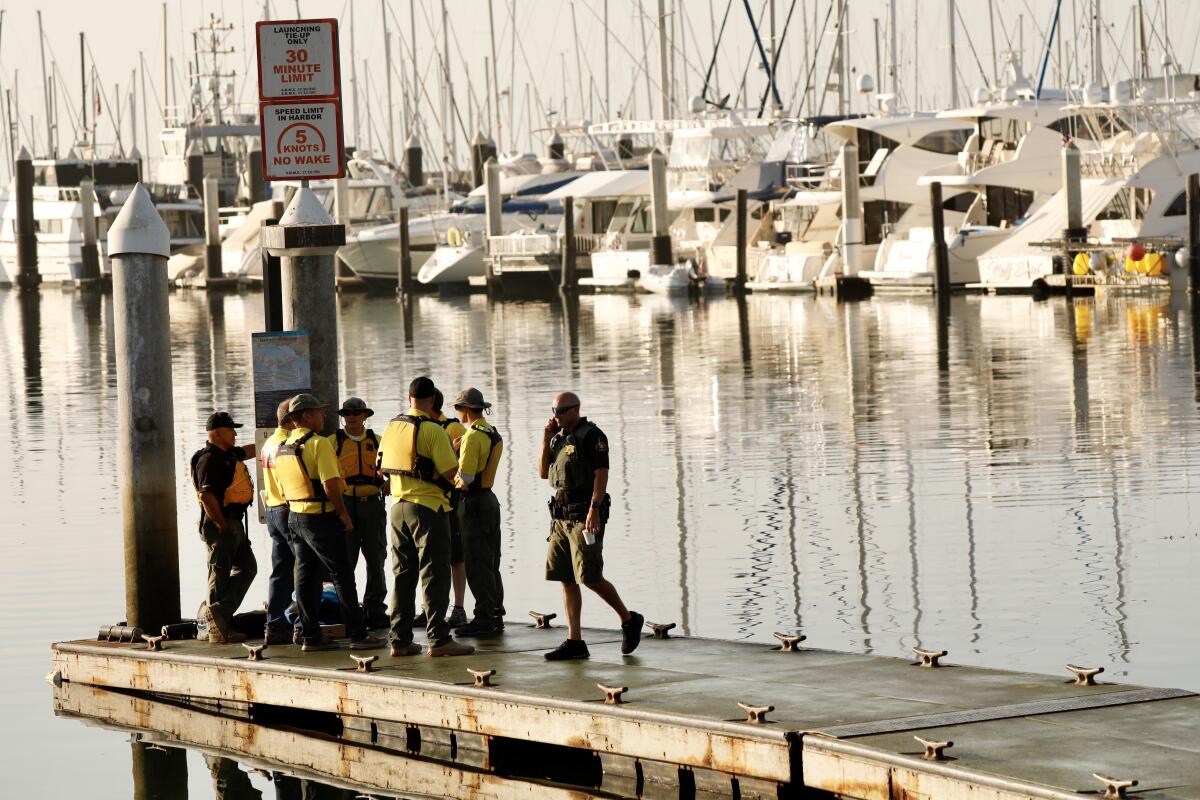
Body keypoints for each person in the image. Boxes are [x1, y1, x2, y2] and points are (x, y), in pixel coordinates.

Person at [275, 393, 385, 652]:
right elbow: (330, 483)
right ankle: (358, 635)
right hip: (319, 517)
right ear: (306, 416)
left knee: (305, 577)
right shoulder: (319, 444)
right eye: (318, 412)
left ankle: (310, 636)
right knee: (343, 575)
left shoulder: (285, 445)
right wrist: (343, 513)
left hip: (295, 516)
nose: (324, 416)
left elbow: (282, 485)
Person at [538, 392, 643, 660]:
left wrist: (594, 509)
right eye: (553, 410)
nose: (556, 416)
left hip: (585, 515)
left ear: (575, 410)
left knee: (590, 576)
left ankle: (628, 619)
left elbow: (601, 474)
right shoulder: (557, 438)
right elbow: (542, 472)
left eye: (561, 411)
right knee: (566, 577)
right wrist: (544, 438)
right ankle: (575, 641)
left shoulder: (592, 436)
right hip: (560, 518)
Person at [377, 376, 474, 657]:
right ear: (432, 400)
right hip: (428, 509)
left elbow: (381, 467)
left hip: (397, 507)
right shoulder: (432, 429)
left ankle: (400, 640)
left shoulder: (392, 426)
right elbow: (449, 474)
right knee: (434, 574)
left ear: (409, 399)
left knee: (402, 575)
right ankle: (440, 640)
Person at [190, 411, 258, 645]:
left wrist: (272, 440)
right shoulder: (209, 459)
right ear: (217, 433)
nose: (235, 433)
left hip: (234, 522)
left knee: (247, 568)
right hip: (220, 524)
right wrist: (221, 524)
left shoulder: (227, 454)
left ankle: (219, 613)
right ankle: (217, 630)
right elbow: (206, 496)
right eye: (231, 430)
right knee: (218, 576)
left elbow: (248, 452)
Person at [451, 387, 506, 636]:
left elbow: (466, 478)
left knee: (475, 561)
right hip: (490, 499)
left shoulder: (472, 436)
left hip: (472, 503)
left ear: (465, 409)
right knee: (492, 561)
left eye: (459, 409)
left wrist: (450, 472)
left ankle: (483, 618)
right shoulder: (491, 432)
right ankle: (496, 612)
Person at [334, 396, 389, 631]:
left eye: (356, 413)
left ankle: (375, 609)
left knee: (376, 559)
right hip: (345, 504)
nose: (352, 417)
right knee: (346, 560)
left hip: (372, 504)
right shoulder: (332, 442)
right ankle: (348, 610)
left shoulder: (378, 442)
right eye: (347, 414)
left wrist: (390, 482)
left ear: (365, 416)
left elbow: (395, 465)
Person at [260, 399, 298, 645]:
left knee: (280, 571)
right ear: (293, 420)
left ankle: (274, 625)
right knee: (306, 570)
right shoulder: (288, 445)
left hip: (272, 509)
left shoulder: (269, 443)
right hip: (289, 510)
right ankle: (302, 625)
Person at [430, 388, 469, 628]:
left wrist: (454, 451)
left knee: (456, 555)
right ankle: (430, 608)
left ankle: (459, 607)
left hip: (451, 499)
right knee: (430, 557)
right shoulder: (417, 426)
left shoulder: (453, 428)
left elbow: (468, 462)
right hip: (426, 500)